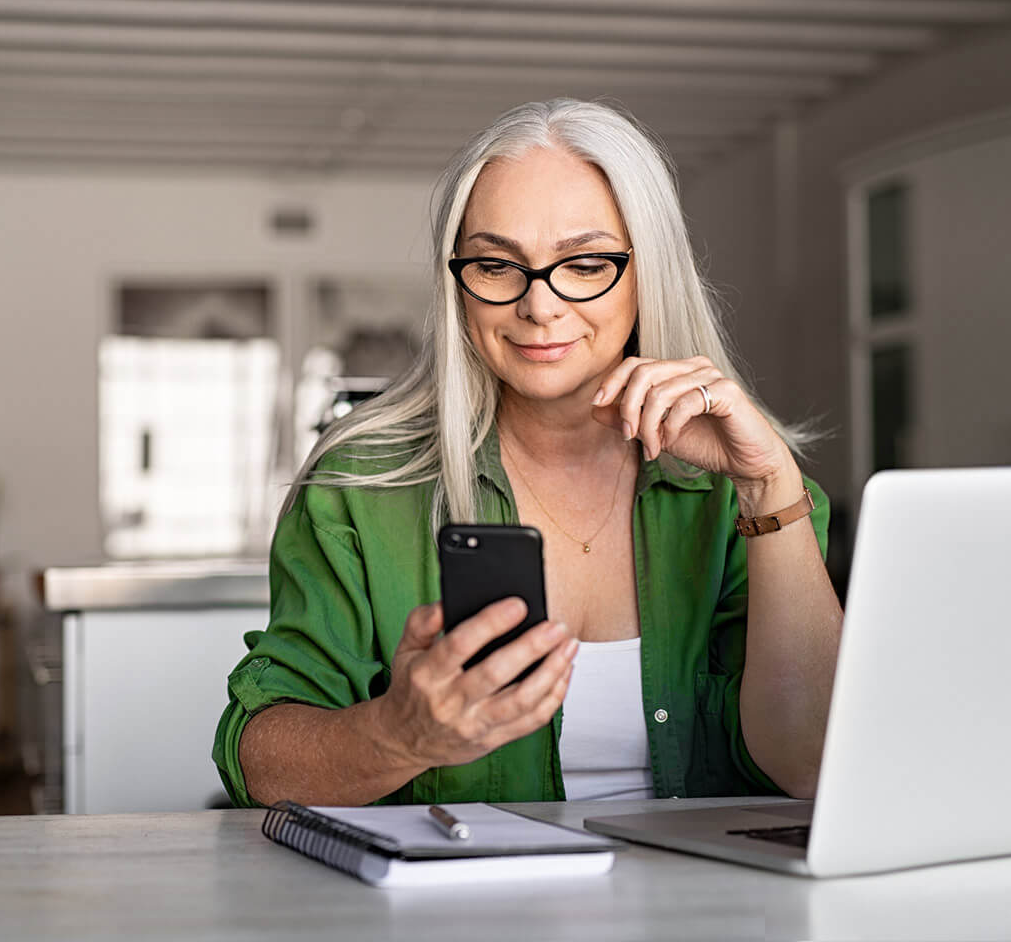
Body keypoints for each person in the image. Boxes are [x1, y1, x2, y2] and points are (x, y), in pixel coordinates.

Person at [212, 98, 844, 808]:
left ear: (648, 271)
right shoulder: (360, 485)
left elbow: (814, 764)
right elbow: (259, 762)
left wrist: (769, 489)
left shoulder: (748, 493)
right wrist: (399, 735)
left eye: (583, 264)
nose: (538, 306)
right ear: (459, 284)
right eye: (495, 265)